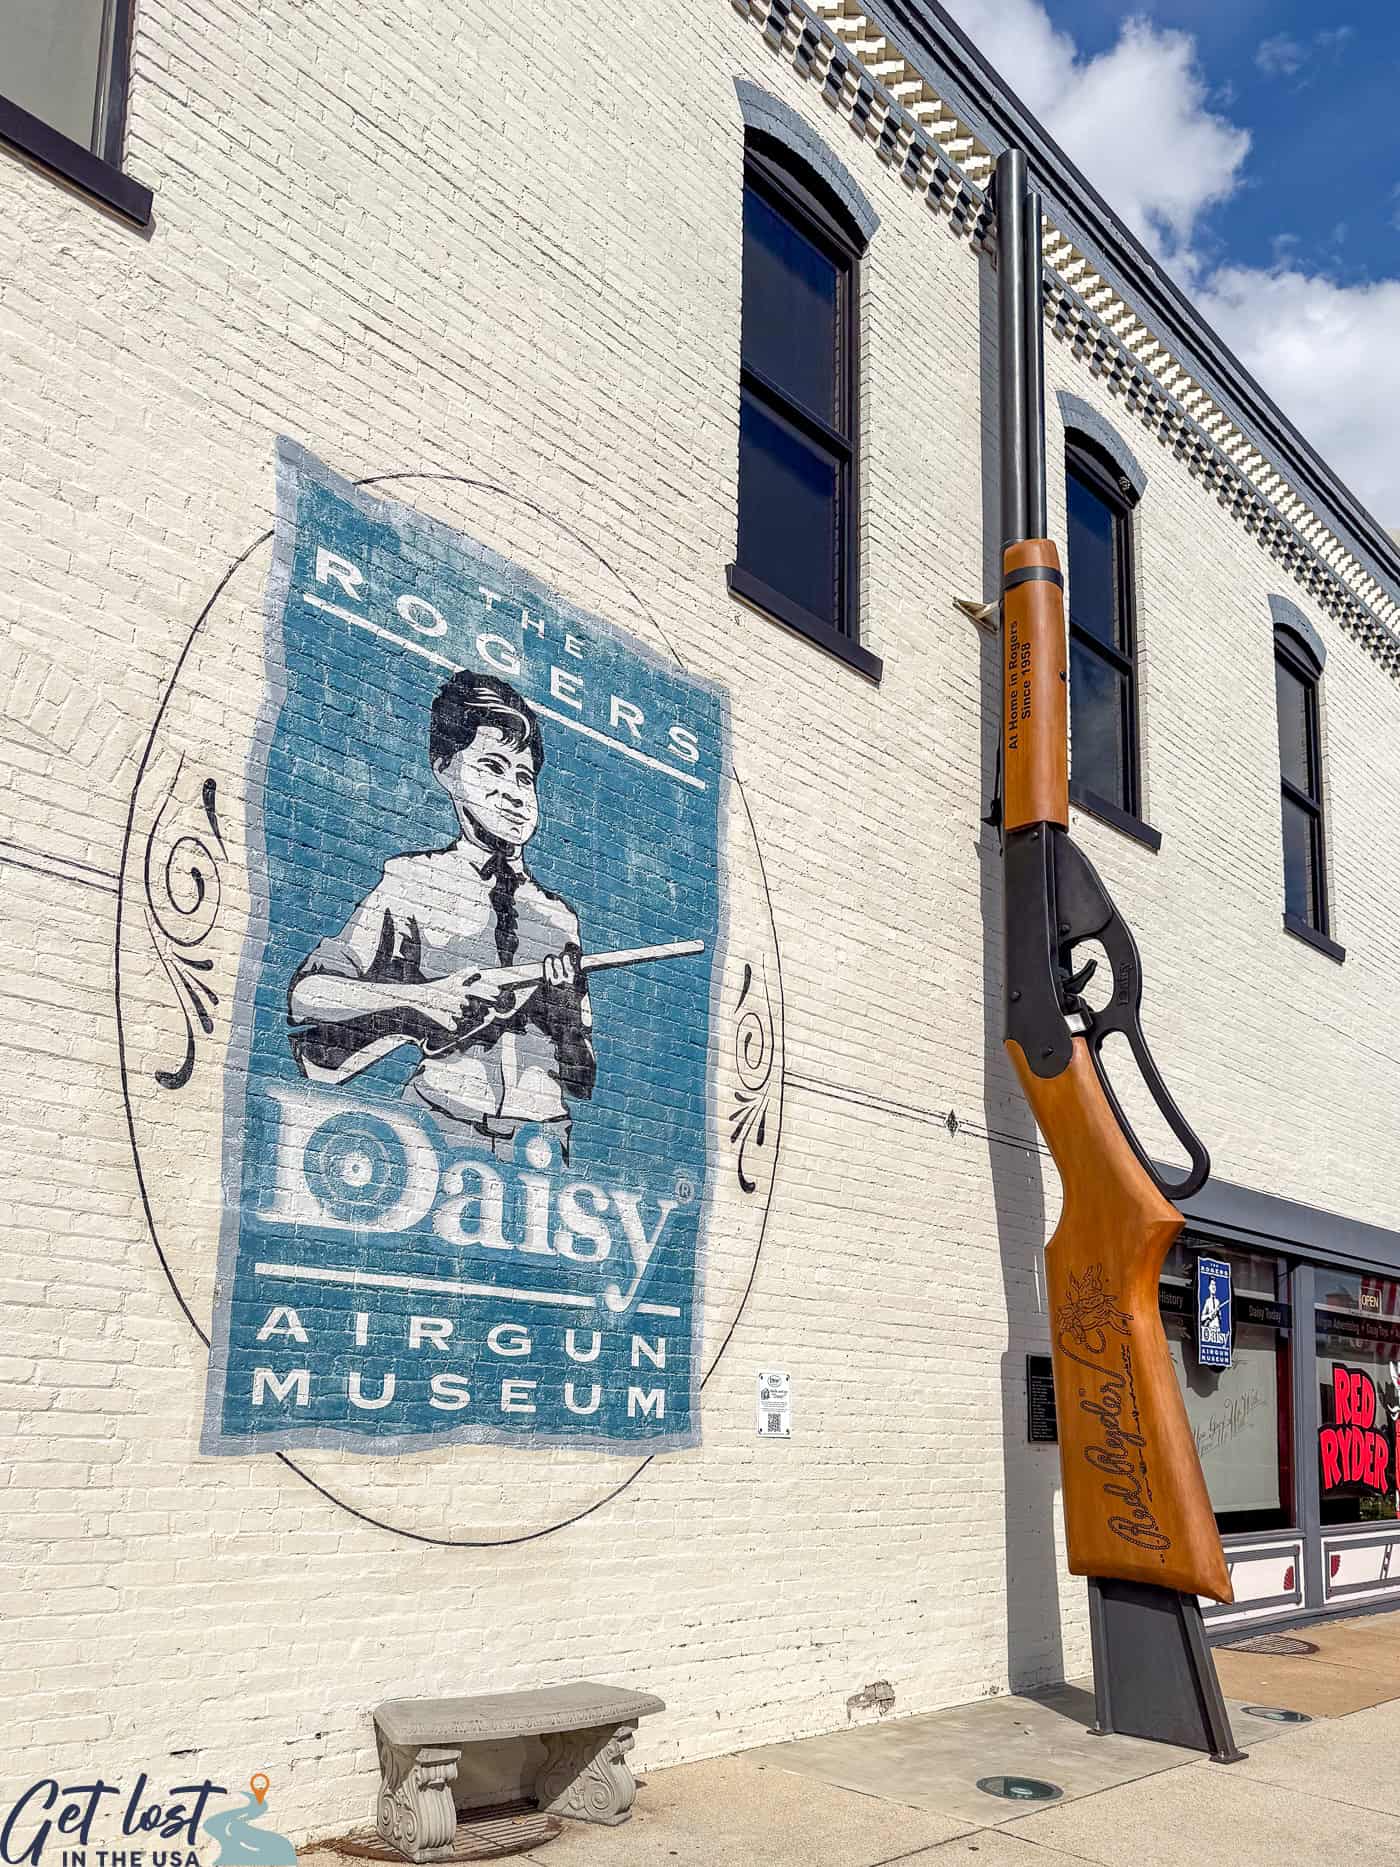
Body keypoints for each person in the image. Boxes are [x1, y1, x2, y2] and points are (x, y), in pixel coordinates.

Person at [287, 669, 595, 1160]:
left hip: (544, 1138)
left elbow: (582, 1079)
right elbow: (306, 995)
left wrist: (564, 1017)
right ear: (446, 769)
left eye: (525, 777)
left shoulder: (559, 918)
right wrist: (423, 999)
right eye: (492, 767)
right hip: (441, 1127)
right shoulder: (412, 883)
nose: (515, 793)